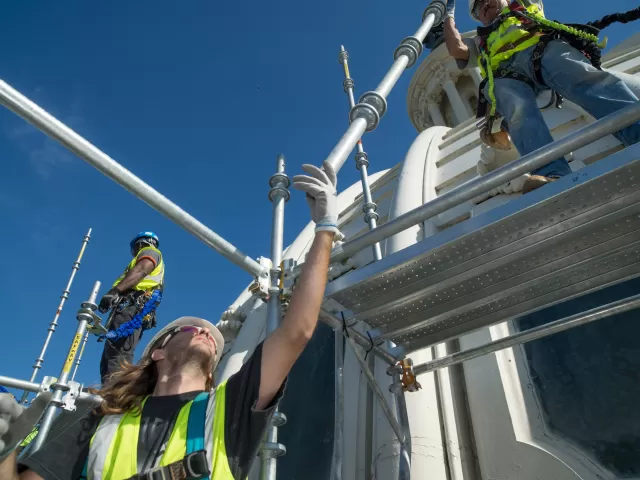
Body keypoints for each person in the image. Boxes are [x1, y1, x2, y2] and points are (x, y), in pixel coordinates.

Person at [0, 160, 342, 480]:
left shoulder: (227, 410)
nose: (207, 333)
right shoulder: (98, 419)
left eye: (212, 339)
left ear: (212, 373)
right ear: (158, 353)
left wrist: (325, 228)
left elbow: (297, 331)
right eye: (192, 329)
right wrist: (5, 451)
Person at [440, 0, 640, 193]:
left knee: (581, 76)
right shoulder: (478, 42)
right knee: (516, 112)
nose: (484, 5)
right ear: (478, 18)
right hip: (507, 74)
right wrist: (448, 13)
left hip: (541, 50)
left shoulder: (524, 5)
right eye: (477, 7)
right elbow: (456, 48)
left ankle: (636, 130)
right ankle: (552, 174)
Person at [98, 231, 165, 383]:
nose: (134, 252)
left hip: (131, 307)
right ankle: (108, 394)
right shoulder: (152, 255)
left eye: (134, 248)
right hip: (131, 309)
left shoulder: (149, 252)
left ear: (140, 243)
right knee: (111, 355)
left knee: (118, 354)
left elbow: (141, 270)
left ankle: (114, 398)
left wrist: (115, 291)